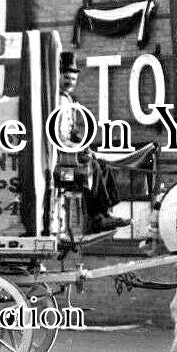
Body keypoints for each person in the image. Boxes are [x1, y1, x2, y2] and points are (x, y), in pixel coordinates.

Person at [56, 52, 127, 233]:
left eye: (73, 79)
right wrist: (80, 149)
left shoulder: (68, 99)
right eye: (66, 77)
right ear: (58, 76)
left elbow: (73, 132)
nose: (70, 82)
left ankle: (106, 212)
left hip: (70, 149)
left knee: (102, 164)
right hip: (60, 158)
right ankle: (97, 217)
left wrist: (86, 146)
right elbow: (59, 135)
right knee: (93, 167)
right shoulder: (58, 100)